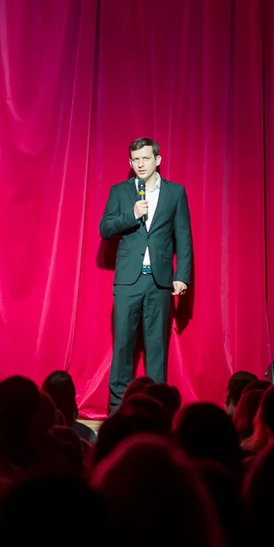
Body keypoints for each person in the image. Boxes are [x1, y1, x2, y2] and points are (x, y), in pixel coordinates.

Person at [99, 137, 194, 411]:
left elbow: (183, 237)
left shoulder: (175, 193)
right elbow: (105, 228)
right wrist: (131, 214)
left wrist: (182, 275)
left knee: (157, 348)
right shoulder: (120, 192)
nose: (141, 164)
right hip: (128, 281)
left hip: (160, 281)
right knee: (122, 346)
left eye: (146, 158)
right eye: (136, 160)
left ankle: (157, 408)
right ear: (130, 163)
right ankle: (117, 408)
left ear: (157, 160)